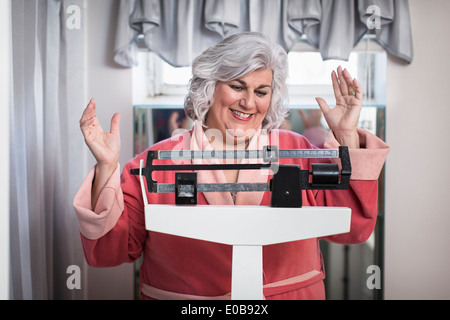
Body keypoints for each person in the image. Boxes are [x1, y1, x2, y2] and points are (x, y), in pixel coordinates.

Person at [74, 32, 389, 300]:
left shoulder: (298, 151)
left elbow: (354, 229)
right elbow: (108, 251)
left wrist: (346, 134)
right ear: (209, 87)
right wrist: (106, 166)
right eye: (238, 87)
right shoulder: (154, 163)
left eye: (261, 91)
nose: (249, 103)